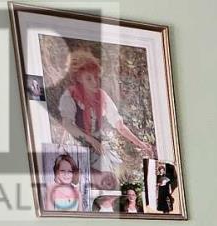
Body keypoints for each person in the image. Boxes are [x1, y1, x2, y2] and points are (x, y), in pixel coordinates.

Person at [56, 47, 154, 190]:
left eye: (96, 77)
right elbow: (68, 125)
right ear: (78, 78)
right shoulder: (70, 96)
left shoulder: (101, 96)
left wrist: (140, 143)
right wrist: (91, 140)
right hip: (75, 146)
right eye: (89, 78)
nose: (94, 82)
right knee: (80, 186)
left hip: (96, 148)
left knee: (108, 181)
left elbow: (119, 125)